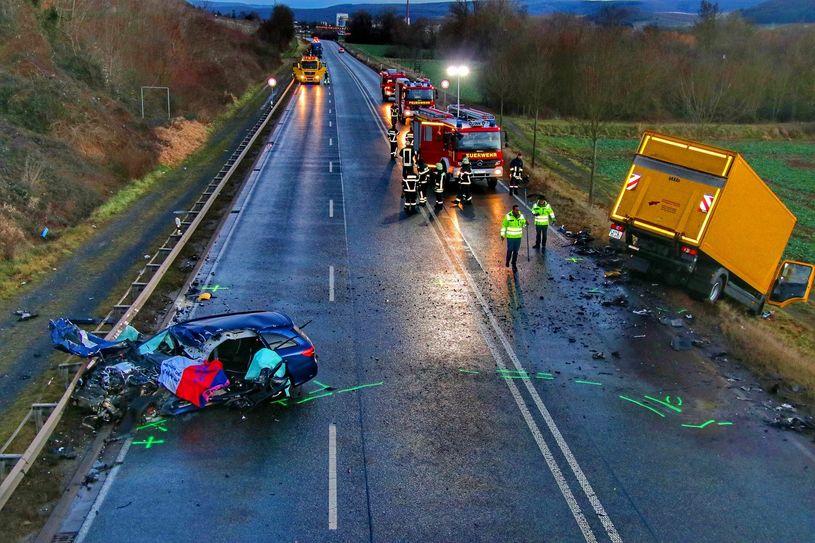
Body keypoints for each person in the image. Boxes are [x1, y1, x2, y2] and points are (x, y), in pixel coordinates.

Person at [500, 205, 527, 272]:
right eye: (516, 210)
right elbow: (504, 225)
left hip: (518, 237)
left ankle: (514, 264)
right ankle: (507, 261)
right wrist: (502, 235)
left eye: (518, 210)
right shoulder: (508, 216)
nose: (518, 211)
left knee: (516, 251)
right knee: (510, 250)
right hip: (510, 237)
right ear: (513, 210)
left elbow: (523, 225)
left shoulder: (521, 216)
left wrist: (526, 223)